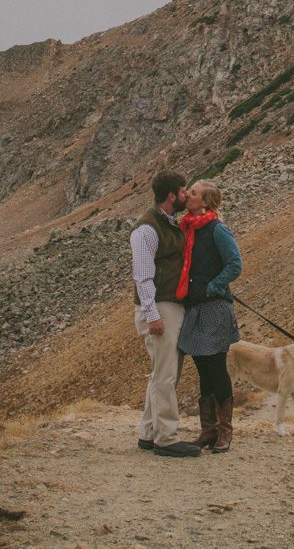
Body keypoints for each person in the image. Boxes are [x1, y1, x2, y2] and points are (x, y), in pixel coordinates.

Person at [130, 170, 200, 457]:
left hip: (167, 305)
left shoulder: (167, 223)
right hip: (159, 306)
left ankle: (149, 433)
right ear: (172, 195)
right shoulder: (146, 229)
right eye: (184, 192)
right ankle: (167, 438)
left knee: (160, 373)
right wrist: (152, 314)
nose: (186, 195)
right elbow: (143, 276)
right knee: (166, 375)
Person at [174, 180, 243, 453]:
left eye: (192, 193)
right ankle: (209, 430)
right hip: (195, 307)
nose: (187, 196)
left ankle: (225, 432)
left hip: (214, 307)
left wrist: (213, 287)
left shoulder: (217, 229)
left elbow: (235, 263)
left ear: (204, 202)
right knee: (203, 368)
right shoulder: (188, 228)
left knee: (216, 367)